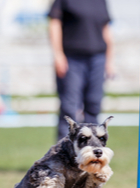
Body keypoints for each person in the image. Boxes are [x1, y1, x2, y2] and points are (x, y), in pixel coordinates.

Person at [48, 0, 114, 140]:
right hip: (72, 58)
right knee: (69, 108)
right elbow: (54, 23)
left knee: (94, 104)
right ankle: (64, 154)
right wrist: (58, 54)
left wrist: (109, 61)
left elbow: (105, 29)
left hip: (97, 58)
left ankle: (91, 151)